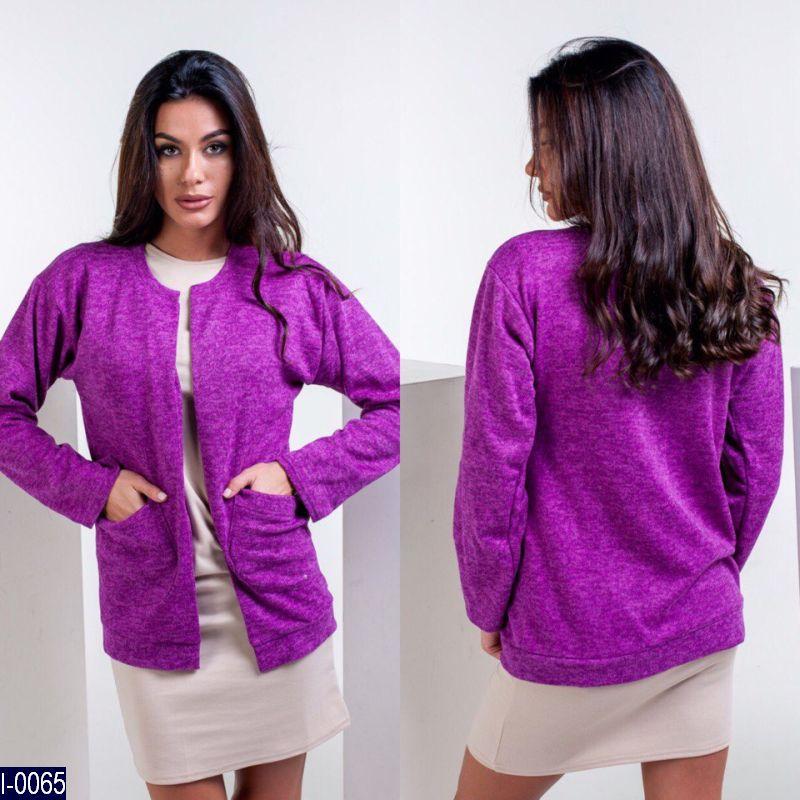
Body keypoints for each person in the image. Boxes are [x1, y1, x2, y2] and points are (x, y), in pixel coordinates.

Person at [0, 50, 399, 800]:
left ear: (241, 154)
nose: (192, 174)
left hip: (277, 604)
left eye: (214, 147)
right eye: (169, 150)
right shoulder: (83, 281)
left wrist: (300, 477)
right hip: (152, 608)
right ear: (143, 159)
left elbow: (395, 403)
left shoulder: (289, 284)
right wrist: (93, 489)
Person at [451, 36, 785, 800]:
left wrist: (488, 603)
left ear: (598, 149)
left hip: (567, 634)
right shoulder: (735, 285)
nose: (531, 167)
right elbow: (755, 473)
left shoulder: (522, 274)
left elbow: (493, 469)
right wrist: (699, 578)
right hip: (696, 631)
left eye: (545, 144)